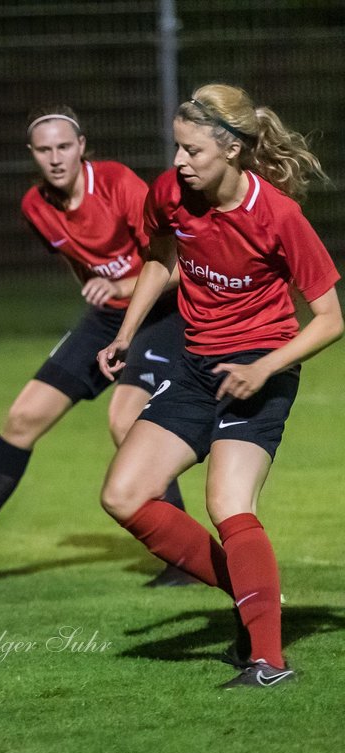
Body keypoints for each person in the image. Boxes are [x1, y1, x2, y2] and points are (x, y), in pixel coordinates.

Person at [97, 83, 342, 688]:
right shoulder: (172, 193)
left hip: (258, 368)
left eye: (192, 151)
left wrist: (265, 367)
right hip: (194, 367)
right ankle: (254, 599)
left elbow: (332, 317)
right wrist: (127, 332)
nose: (179, 162)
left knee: (227, 503)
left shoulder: (279, 216)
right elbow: (159, 254)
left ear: (231, 150)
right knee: (124, 496)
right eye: (176, 148)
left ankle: (268, 661)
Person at [0, 106, 191, 585]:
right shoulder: (37, 205)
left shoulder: (116, 183)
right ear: (32, 155)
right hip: (107, 318)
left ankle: (185, 560)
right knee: (22, 418)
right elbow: (82, 267)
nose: (55, 158)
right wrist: (104, 297)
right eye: (45, 149)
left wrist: (118, 289)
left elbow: (176, 266)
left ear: (81, 147)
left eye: (64, 147)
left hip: (162, 312)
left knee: (125, 421)